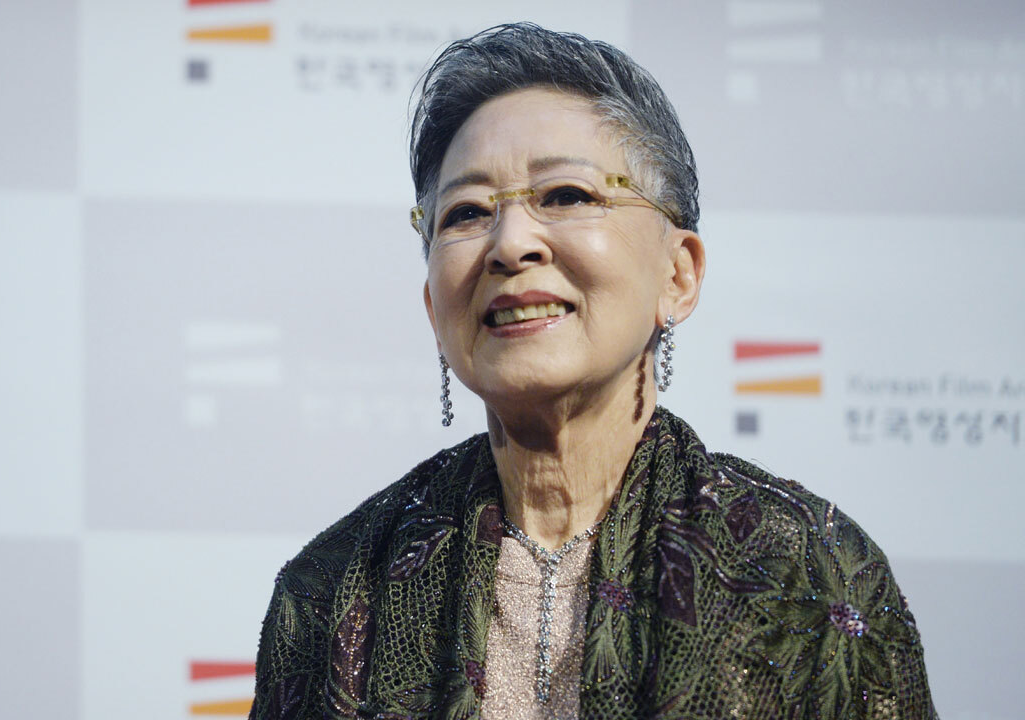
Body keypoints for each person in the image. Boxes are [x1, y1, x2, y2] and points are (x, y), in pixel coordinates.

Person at [250, 23, 935, 719]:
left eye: (566, 195)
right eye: (466, 212)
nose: (510, 244)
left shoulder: (808, 574)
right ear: (434, 306)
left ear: (678, 274)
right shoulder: (334, 591)